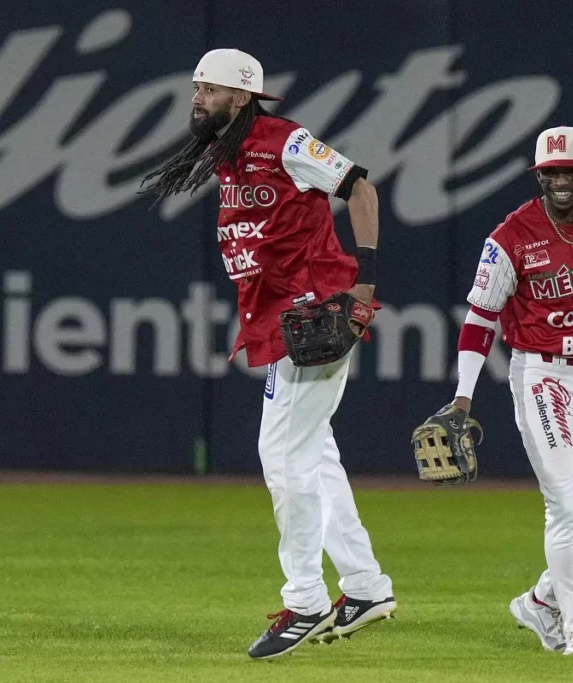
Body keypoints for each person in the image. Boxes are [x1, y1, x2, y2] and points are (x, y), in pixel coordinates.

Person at [141, 48, 396, 660]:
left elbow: (361, 188)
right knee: (314, 454)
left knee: (281, 455)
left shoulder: (284, 141)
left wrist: (365, 282)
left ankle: (306, 600)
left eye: (210, 89)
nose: (198, 98)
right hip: (283, 314)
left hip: (316, 311)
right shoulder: (229, 151)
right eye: (196, 87)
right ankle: (364, 586)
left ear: (242, 95)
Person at [435, 126, 573, 657]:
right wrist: (463, 395)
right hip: (543, 376)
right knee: (567, 505)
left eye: (568, 171)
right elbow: (479, 320)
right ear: (539, 176)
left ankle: (540, 600)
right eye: (548, 172)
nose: (558, 180)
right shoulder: (510, 238)